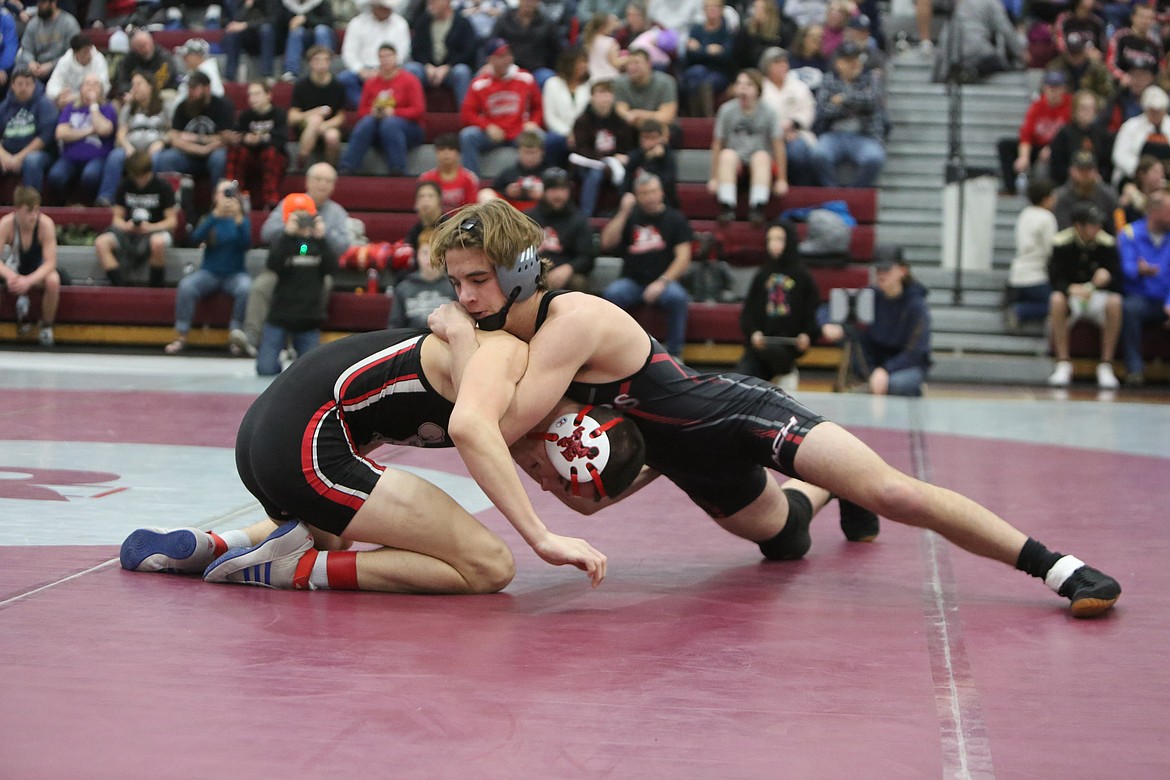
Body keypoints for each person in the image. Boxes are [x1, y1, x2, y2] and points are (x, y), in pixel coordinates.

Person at [427, 199, 1121, 618]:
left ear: (519, 269)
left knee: (890, 489)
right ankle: (824, 491)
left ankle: (1056, 567)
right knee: (785, 540)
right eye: (456, 285)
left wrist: (455, 338)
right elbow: (581, 473)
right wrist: (590, 486)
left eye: (478, 280)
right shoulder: (504, 343)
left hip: (737, 413)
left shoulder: (569, 319)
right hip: (682, 458)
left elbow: (501, 426)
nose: (465, 299)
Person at [121, 327, 646, 593]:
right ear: (561, 440)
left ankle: (215, 545)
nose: (535, 481)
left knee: (336, 533)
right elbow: (471, 431)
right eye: (542, 472)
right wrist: (541, 537)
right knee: (491, 566)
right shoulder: (505, 365)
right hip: (304, 444)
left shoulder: (507, 376)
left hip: (270, 440)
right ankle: (295, 569)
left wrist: (675, 460)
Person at [232, 162, 351, 357]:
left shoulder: (336, 213)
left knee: (326, 284)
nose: (323, 184)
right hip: (285, 266)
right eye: (319, 179)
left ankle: (306, 335)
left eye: (329, 181)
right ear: (308, 182)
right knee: (261, 286)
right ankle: (251, 337)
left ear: (334, 186)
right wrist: (288, 229)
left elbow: (344, 244)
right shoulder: (289, 203)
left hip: (316, 270)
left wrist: (321, 234)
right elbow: (266, 232)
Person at [599, 173, 693, 358]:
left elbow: (684, 257)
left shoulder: (675, 219)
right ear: (636, 196)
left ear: (661, 192)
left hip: (664, 281)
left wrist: (662, 282)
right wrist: (624, 212)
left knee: (678, 297)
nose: (650, 197)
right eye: (644, 193)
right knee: (611, 295)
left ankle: (675, 354)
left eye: (653, 191)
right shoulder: (630, 217)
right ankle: (613, 352)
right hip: (632, 281)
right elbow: (606, 243)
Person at [822, 247, 932, 397]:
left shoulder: (916, 305)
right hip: (873, 363)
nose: (881, 274)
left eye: (886, 269)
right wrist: (828, 323)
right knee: (851, 334)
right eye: (878, 269)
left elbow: (916, 351)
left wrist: (885, 370)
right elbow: (829, 308)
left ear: (902, 271)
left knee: (897, 384)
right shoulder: (870, 296)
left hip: (906, 366)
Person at [165, 180, 253, 356]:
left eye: (230, 194)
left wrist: (238, 219)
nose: (227, 198)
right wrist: (214, 216)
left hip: (235, 274)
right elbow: (195, 238)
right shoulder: (209, 218)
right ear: (215, 197)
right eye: (223, 193)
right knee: (187, 286)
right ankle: (181, 335)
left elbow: (246, 245)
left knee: (246, 288)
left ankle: (236, 334)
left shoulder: (242, 220)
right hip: (209, 272)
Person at [256, 192, 337, 376]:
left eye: (305, 216)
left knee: (309, 373)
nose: (302, 221)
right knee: (265, 369)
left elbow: (331, 268)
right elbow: (273, 265)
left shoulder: (318, 245)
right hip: (280, 315)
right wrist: (287, 235)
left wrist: (321, 237)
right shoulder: (283, 243)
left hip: (308, 318)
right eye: (297, 216)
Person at [735, 220, 820, 391]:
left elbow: (812, 313)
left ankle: (787, 371)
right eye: (770, 240)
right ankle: (785, 371)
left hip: (789, 347)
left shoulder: (803, 276)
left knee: (777, 354)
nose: (774, 244)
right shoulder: (762, 275)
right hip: (760, 346)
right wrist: (753, 333)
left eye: (779, 239)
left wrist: (807, 335)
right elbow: (748, 313)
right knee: (741, 382)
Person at [1046, 203, 1122, 389]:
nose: (1097, 229)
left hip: (1097, 296)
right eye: (1092, 225)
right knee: (1056, 300)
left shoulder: (1108, 243)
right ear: (1078, 226)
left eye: (1098, 225)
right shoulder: (1061, 243)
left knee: (1115, 302)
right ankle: (1063, 362)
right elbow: (1054, 278)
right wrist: (1070, 289)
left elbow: (1119, 279)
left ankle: (1106, 364)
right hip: (1073, 297)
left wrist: (1107, 278)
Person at [709, 68, 786, 227]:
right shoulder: (726, 110)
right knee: (727, 154)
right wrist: (714, 177)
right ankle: (727, 206)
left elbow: (778, 146)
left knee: (761, 156)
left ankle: (757, 207)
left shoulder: (769, 112)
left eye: (749, 85)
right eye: (739, 84)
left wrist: (782, 179)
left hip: (760, 167)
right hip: (735, 165)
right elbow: (718, 144)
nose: (743, 88)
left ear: (758, 90)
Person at [458, 38, 543, 178]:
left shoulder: (525, 78)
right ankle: (472, 180)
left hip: (519, 130)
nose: (506, 60)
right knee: (468, 136)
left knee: (539, 137)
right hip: (493, 132)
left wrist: (533, 123)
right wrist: (487, 126)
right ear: (490, 60)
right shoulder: (479, 83)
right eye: (500, 56)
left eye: (508, 55)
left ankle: (536, 179)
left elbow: (538, 107)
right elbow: (467, 113)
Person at [337, 43, 425, 177]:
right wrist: (373, 112)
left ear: (396, 58)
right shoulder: (371, 82)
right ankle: (347, 167)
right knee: (367, 121)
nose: (385, 60)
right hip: (377, 127)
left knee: (389, 123)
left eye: (388, 56)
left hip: (408, 129)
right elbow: (361, 111)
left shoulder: (410, 80)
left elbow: (418, 110)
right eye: (381, 57)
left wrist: (394, 113)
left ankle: (398, 168)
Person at [94, 150, 178, 287]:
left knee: (157, 242)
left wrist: (151, 227)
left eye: (143, 175)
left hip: (155, 230)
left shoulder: (163, 186)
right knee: (101, 242)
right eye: (136, 176)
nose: (140, 180)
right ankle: (120, 286)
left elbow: (172, 221)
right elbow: (116, 219)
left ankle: (155, 288)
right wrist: (127, 226)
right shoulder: (124, 185)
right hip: (130, 231)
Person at [810, 41, 887, 188]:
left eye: (856, 59)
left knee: (875, 158)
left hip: (864, 135)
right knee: (819, 155)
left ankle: (855, 192)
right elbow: (824, 109)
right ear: (838, 63)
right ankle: (832, 192)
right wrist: (857, 104)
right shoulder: (828, 80)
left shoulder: (871, 78)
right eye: (848, 60)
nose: (853, 64)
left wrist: (844, 99)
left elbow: (872, 102)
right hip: (833, 135)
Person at [1117, 187, 1170, 387]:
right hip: (1142, 298)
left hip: (1166, 298)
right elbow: (1126, 269)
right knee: (1130, 309)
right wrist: (1140, 271)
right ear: (1155, 212)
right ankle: (1135, 370)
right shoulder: (1130, 233)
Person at [154, 71, 235, 190]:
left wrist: (196, 138)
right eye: (188, 88)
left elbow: (226, 139)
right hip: (188, 155)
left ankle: (218, 201)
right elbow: (174, 138)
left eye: (194, 88)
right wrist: (201, 149)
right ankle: (171, 202)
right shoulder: (182, 106)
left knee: (219, 158)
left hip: (213, 154)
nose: (190, 92)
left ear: (207, 88)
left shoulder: (223, 105)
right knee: (165, 158)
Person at [97, 72, 168, 208]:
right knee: (115, 156)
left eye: (139, 84)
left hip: (155, 147)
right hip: (132, 147)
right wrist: (127, 146)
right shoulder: (129, 108)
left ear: (150, 86)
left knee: (157, 159)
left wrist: (162, 142)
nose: (134, 88)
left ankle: (153, 199)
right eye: (133, 85)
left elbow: (172, 131)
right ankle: (106, 197)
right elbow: (121, 133)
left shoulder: (164, 106)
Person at [996, 69, 1071, 195]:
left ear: (1063, 88)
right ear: (1044, 88)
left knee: (1056, 155)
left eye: (1057, 87)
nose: (1054, 91)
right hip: (1037, 146)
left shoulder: (1070, 104)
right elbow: (1026, 134)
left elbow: (1070, 132)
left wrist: (1052, 147)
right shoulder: (1037, 106)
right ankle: (1010, 188)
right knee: (1004, 145)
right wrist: (1024, 157)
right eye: (1050, 87)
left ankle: (1053, 192)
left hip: (1059, 148)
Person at [0, 185, 59, 346]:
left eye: (36, 210)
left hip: (38, 270)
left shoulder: (45, 224)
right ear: (17, 210)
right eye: (28, 211)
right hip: (15, 269)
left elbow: (50, 263)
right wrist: (11, 276)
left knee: (53, 280)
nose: (33, 216)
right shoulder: (7, 223)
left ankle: (46, 326)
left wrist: (28, 281)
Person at [46, 71, 116, 206]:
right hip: (69, 158)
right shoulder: (71, 108)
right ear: (81, 88)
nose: (91, 87)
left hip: (97, 158)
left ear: (101, 90)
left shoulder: (107, 108)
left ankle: (92, 208)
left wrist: (94, 105)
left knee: (90, 176)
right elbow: (61, 133)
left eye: (95, 84)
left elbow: (104, 130)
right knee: (55, 176)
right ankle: (64, 206)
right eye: (87, 83)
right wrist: (89, 130)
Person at [569, 78, 635, 218]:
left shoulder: (621, 123)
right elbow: (582, 150)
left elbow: (625, 148)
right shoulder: (582, 121)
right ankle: (586, 216)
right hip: (588, 163)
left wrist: (620, 158)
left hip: (613, 163)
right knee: (595, 174)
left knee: (626, 172)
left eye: (608, 93)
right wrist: (604, 161)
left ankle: (620, 213)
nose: (605, 97)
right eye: (600, 93)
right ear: (592, 97)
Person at [525, 166, 596, 292]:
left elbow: (587, 257)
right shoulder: (528, 218)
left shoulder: (578, 219)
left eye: (563, 189)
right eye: (553, 189)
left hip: (564, 275)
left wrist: (569, 268)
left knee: (578, 282)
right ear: (544, 191)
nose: (558, 194)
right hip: (531, 273)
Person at [225, 79, 289, 211]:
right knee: (236, 152)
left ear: (268, 95)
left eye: (257, 94)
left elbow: (281, 139)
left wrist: (261, 139)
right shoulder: (245, 115)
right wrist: (245, 138)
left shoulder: (279, 114)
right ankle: (234, 192)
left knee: (270, 153)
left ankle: (271, 199)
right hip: (251, 156)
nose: (253, 98)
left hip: (273, 155)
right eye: (250, 95)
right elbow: (237, 135)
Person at [759, 46, 817, 188]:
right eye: (777, 63)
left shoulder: (799, 87)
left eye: (784, 62)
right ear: (767, 66)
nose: (782, 66)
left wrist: (793, 124)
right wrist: (778, 130)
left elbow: (808, 110)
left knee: (798, 153)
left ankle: (801, 190)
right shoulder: (759, 87)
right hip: (766, 135)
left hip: (795, 132)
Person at [338, 0, 412, 110]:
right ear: (374, 7)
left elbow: (402, 53)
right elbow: (349, 52)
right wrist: (360, 70)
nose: (387, 10)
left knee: (414, 71)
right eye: (383, 7)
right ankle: (367, 108)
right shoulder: (357, 23)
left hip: (392, 69)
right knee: (344, 78)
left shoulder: (400, 24)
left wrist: (384, 70)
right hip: (364, 69)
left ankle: (394, 107)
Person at [1005, 177, 1058, 329]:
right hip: (1036, 276)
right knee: (1058, 306)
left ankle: (1018, 307)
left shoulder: (1025, 213)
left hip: (1016, 274)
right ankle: (1020, 311)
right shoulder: (1047, 217)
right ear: (1046, 198)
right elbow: (1050, 250)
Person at [930, 0, 1025, 83]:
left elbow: (945, 35)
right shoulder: (992, 2)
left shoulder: (961, 5)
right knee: (1000, 63)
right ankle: (973, 71)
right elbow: (1005, 30)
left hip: (957, 53)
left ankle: (966, 71)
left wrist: (936, 73)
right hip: (978, 51)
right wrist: (1021, 54)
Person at [407, 0, 476, 108]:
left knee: (462, 71)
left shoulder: (462, 22)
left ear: (447, 2)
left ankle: (465, 116)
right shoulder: (423, 21)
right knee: (411, 68)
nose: (430, 4)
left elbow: (468, 52)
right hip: (427, 69)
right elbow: (416, 50)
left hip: (451, 69)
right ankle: (411, 114)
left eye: (434, 1)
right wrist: (427, 65)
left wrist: (448, 66)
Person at [288, 45, 347, 170]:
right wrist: (313, 113)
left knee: (332, 137)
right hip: (306, 126)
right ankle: (302, 159)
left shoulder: (337, 86)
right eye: (317, 60)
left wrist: (325, 125)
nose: (322, 64)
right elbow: (292, 117)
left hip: (328, 125)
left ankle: (330, 168)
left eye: (325, 60)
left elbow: (341, 116)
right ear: (310, 63)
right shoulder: (301, 85)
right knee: (315, 119)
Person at [0, 67, 56, 192]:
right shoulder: (4, 107)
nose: (24, 88)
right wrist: (3, 156)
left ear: (34, 85)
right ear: (12, 86)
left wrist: (19, 158)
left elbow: (45, 137)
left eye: (28, 84)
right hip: (8, 152)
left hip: (39, 153)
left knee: (32, 161)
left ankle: (30, 205)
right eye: (20, 84)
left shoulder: (44, 104)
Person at [388, 227, 456, 328]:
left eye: (435, 254)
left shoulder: (454, 286)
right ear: (417, 255)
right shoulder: (403, 288)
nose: (430, 258)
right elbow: (394, 326)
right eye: (425, 253)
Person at [613, 48, 680, 144]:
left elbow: (667, 116)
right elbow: (621, 111)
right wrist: (631, 117)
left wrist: (638, 114)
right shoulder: (619, 83)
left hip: (659, 125)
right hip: (632, 126)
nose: (632, 67)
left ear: (649, 64)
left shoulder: (666, 82)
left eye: (637, 63)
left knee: (670, 129)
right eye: (629, 63)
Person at [1047, 89, 1113, 187]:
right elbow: (1057, 164)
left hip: (1097, 183)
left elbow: (1107, 164)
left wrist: (1098, 176)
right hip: (1068, 183)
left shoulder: (1103, 135)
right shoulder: (1064, 134)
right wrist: (1073, 174)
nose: (1087, 112)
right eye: (1083, 108)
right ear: (1075, 110)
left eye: (1091, 108)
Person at [681, 0, 734, 118]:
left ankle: (698, 118)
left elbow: (726, 57)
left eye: (715, 7)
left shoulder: (726, 31)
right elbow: (689, 55)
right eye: (708, 8)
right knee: (696, 74)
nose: (712, 10)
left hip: (718, 73)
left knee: (699, 79)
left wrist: (699, 49)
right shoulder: (696, 29)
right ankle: (704, 119)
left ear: (721, 10)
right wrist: (709, 51)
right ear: (704, 10)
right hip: (695, 70)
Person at [489, 0, 559, 89]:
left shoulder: (547, 23)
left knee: (549, 78)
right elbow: (492, 44)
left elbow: (556, 49)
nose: (529, 2)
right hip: (508, 67)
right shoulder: (505, 19)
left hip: (537, 69)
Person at [479, 127, 551, 212]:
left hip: (541, 212)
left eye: (533, 152)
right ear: (519, 151)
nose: (530, 157)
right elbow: (495, 188)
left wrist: (544, 195)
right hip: (512, 213)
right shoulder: (510, 172)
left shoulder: (549, 172)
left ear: (542, 152)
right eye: (526, 152)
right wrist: (507, 191)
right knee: (486, 193)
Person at [542, 46, 590, 166]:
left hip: (585, 133)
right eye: (580, 62)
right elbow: (551, 117)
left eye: (585, 62)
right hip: (561, 134)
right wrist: (568, 133)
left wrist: (578, 134)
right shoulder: (552, 84)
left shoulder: (591, 84)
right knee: (552, 140)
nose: (583, 66)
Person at [1111, 85, 1170, 185]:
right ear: (1145, 109)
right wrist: (1143, 173)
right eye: (1152, 111)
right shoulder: (1130, 126)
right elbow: (1119, 155)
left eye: (1159, 110)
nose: (1156, 114)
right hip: (1134, 178)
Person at [1052, 151, 1119, 233]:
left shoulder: (1109, 195)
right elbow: (1060, 230)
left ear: (1096, 171)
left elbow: (1117, 228)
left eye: (1089, 170)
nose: (1085, 174)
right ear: (1071, 171)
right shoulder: (1059, 197)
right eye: (1081, 170)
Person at [15, 0, 79, 82]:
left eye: (43, 3)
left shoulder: (69, 23)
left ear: (53, 3)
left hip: (59, 69)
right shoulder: (33, 23)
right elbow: (26, 49)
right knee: (19, 70)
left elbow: (72, 53)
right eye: (38, 2)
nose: (39, 6)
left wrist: (51, 65)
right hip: (35, 69)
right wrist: (31, 62)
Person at [620, 117, 679, 208]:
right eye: (645, 138)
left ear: (661, 138)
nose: (649, 142)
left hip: (663, 204)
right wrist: (649, 158)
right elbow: (626, 185)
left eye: (653, 138)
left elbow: (667, 184)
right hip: (637, 204)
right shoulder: (635, 156)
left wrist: (651, 161)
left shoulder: (668, 157)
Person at [44, 32, 108, 109]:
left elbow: (104, 87)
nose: (89, 54)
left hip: (92, 101)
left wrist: (77, 97)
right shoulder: (65, 61)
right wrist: (59, 94)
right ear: (75, 53)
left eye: (89, 50)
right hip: (67, 103)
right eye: (85, 52)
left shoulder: (98, 60)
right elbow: (52, 85)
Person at [418, 131, 480, 211]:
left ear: (458, 153)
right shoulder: (426, 178)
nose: (446, 153)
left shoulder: (469, 178)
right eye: (442, 149)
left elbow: (472, 208)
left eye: (451, 149)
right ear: (436, 153)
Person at [221, 0, 281, 82]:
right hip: (248, 39)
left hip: (270, 39)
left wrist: (247, 25)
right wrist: (246, 6)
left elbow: (273, 20)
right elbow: (235, 21)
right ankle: (229, 76)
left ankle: (267, 75)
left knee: (266, 29)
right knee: (233, 33)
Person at [110, 29, 177, 101]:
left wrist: (140, 93)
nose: (147, 48)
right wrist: (133, 91)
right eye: (142, 46)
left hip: (161, 92)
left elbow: (160, 82)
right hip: (133, 93)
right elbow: (122, 81)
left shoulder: (164, 58)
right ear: (135, 48)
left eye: (148, 44)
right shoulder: (129, 58)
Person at [280, 0, 336, 82]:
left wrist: (306, 19)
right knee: (296, 31)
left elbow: (329, 22)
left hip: (322, 38)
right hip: (301, 40)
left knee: (321, 30)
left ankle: (324, 66)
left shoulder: (322, 2)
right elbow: (279, 25)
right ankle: (291, 71)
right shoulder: (287, 4)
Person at [173, 37, 225, 106]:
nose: (184, 59)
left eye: (187, 55)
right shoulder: (197, 71)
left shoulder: (206, 73)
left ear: (198, 55)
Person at [1116, 155, 1165, 227]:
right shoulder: (1129, 194)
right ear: (1142, 175)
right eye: (1155, 172)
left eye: (1161, 172)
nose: (1161, 176)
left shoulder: (1164, 195)